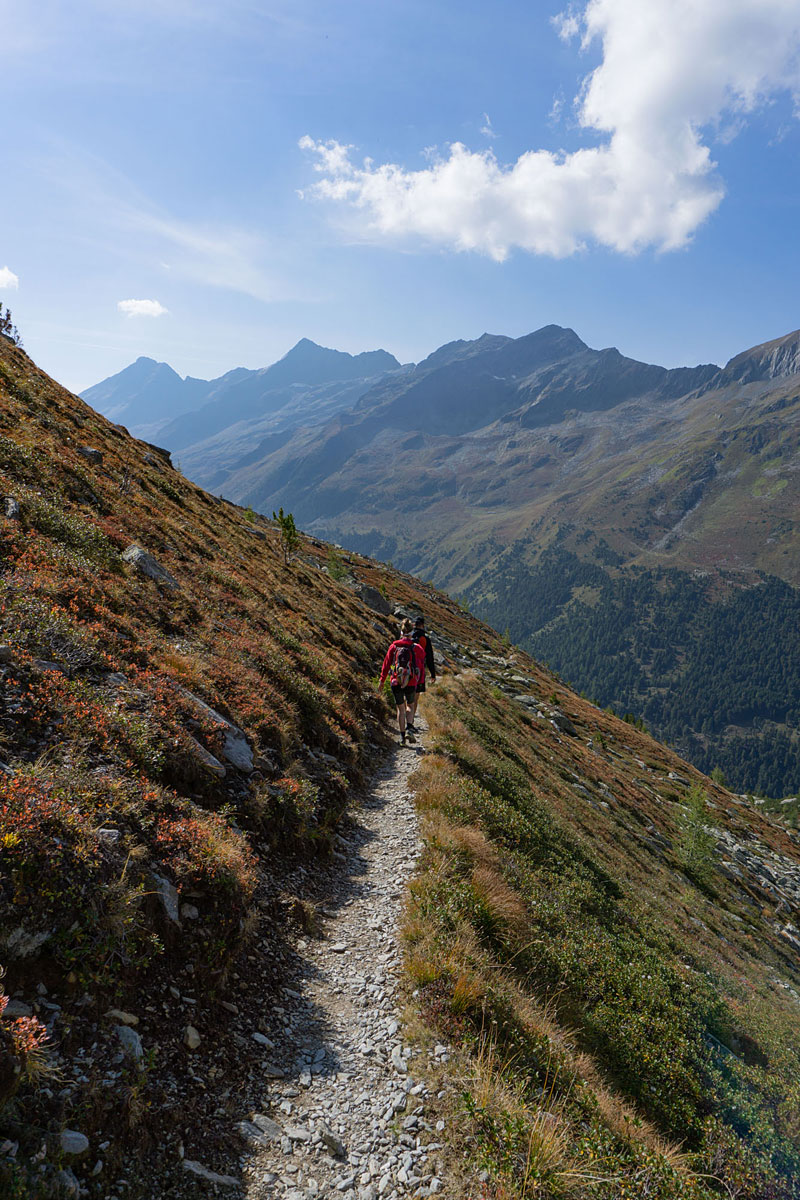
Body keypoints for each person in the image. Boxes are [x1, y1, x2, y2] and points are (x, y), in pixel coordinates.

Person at [379, 619, 425, 745]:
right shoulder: (418, 648)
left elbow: (386, 665)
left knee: (400, 709)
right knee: (410, 705)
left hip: (396, 681)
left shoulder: (394, 646)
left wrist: (382, 680)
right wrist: (419, 682)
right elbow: (421, 668)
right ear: (411, 633)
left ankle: (402, 738)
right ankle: (410, 727)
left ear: (401, 632)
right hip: (411, 682)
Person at [407, 615, 436, 732]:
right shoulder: (425, 639)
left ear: (414, 625)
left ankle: (404, 719)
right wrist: (433, 674)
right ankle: (410, 722)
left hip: (405, 669)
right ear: (423, 625)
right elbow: (429, 658)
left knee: (406, 696)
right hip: (419, 671)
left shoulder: (408, 636)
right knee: (415, 698)